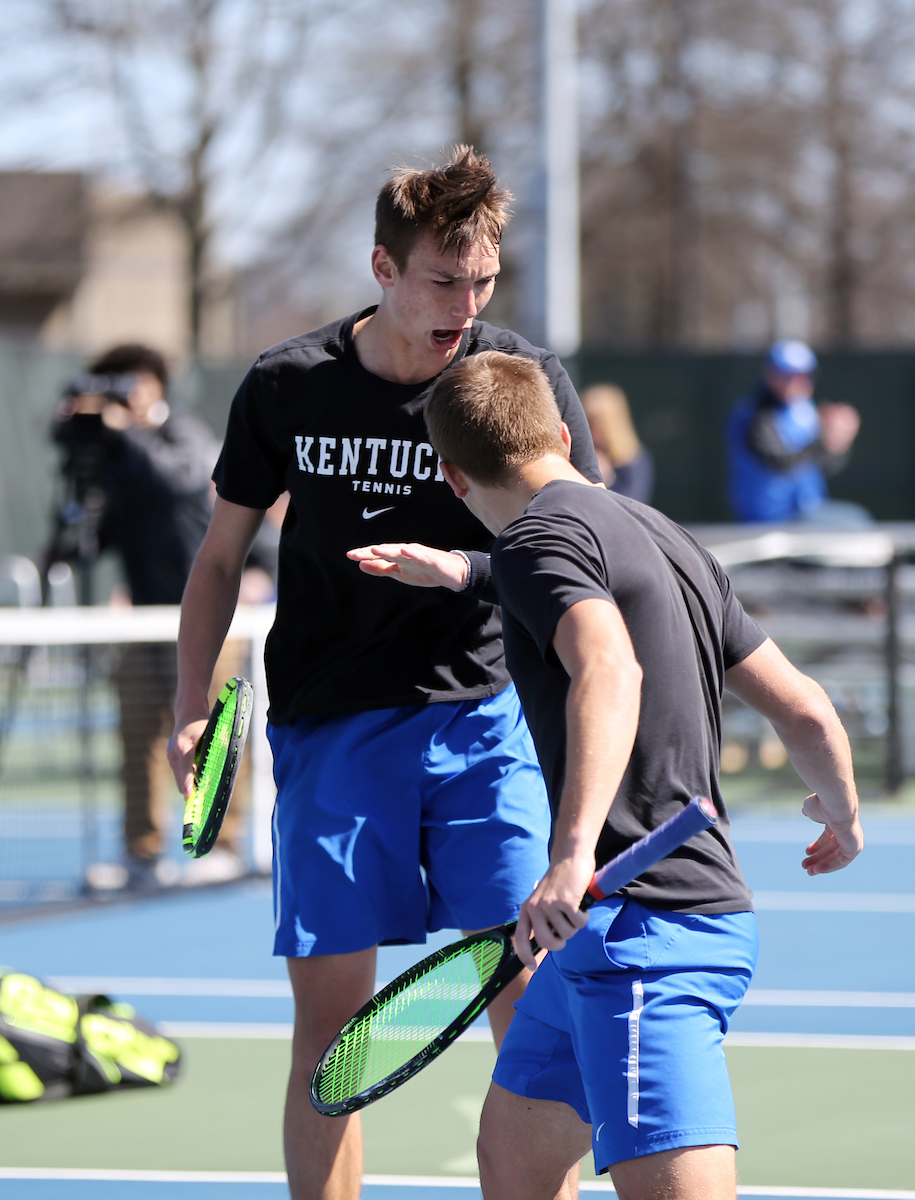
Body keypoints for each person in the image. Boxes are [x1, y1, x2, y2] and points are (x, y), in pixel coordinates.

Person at [166, 145, 602, 1200]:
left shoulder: (520, 382)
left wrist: (464, 569)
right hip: (330, 730)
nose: (465, 302)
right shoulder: (286, 386)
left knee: (529, 1005)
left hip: (484, 725)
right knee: (331, 1034)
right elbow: (220, 556)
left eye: (483, 279)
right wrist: (189, 710)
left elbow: (590, 548)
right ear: (382, 267)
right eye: (442, 280)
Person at [352, 350, 863, 1200]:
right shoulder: (660, 534)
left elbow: (608, 666)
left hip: (647, 942)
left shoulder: (532, 542)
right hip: (602, 941)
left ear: (449, 475)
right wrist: (842, 814)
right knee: (512, 1159)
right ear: (559, 434)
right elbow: (805, 708)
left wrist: (569, 853)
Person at [50, 343, 244, 891]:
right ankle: (142, 851)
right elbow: (101, 515)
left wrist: (123, 429)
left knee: (215, 732)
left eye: (128, 383)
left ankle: (223, 844)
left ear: (156, 385)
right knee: (135, 733)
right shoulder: (113, 447)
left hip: (204, 611)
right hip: (142, 614)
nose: (120, 396)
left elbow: (182, 482)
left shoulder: (181, 431)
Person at [727, 339, 865, 525]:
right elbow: (781, 463)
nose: (797, 382)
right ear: (770, 376)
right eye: (787, 375)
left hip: (806, 512)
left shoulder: (804, 411)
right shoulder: (755, 416)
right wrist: (822, 441)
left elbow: (823, 466)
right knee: (853, 525)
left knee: (859, 522)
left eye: (804, 375)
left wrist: (838, 442)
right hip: (768, 520)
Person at [581, 383, 654, 503]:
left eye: (596, 422)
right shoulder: (578, 454)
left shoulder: (633, 460)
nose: (592, 429)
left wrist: (606, 479)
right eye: (587, 421)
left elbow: (634, 504)